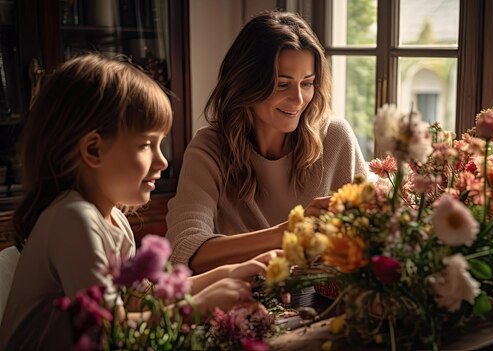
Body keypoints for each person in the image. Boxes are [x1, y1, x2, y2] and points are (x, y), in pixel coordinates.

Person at [0, 54, 274, 350]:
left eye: (161, 144)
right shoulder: (72, 219)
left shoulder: (114, 218)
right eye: (146, 145)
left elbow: (141, 299)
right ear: (93, 149)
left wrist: (231, 272)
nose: (163, 161)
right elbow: (111, 333)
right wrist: (202, 305)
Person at [166, 10, 367, 274]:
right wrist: (286, 233)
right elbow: (184, 251)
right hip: (238, 305)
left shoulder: (335, 137)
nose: (298, 99)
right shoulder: (209, 148)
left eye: (307, 83)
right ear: (247, 84)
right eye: (282, 85)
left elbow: (369, 237)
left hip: (322, 303)